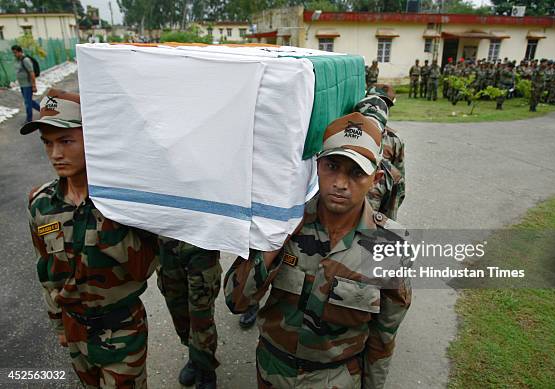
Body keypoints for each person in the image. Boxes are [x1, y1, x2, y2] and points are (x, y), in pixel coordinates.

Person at [224, 112, 412, 389]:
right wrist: (278, 237)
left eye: (356, 172)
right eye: (332, 166)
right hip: (273, 371)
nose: (340, 183)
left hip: (336, 379)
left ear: (376, 178)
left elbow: (383, 337)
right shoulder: (283, 222)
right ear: (317, 166)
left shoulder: (390, 245)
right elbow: (235, 301)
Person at [23, 89, 159, 388]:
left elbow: (144, 267)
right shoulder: (41, 203)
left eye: (66, 141)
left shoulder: (125, 201)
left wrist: (106, 217)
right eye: (48, 143)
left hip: (122, 332)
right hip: (75, 333)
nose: (55, 154)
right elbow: (45, 271)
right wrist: (59, 324)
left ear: (93, 138)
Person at [157, 239, 221, 388]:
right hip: (166, 246)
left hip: (201, 247)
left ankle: (205, 367)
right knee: (178, 309)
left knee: (201, 315)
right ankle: (194, 354)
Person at [12, 45, 40, 123]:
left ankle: (29, 120)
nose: (14, 54)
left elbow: (32, 73)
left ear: (20, 52)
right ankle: (43, 110)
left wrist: (34, 86)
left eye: (15, 52)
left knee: (27, 103)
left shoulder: (26, 60)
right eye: (13, 53)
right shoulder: (18, 60)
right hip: (22, 85)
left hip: (28, 85)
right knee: (29, 101)